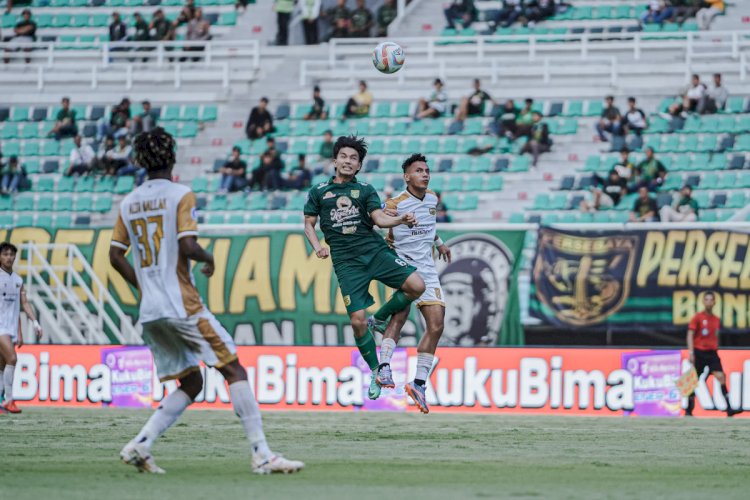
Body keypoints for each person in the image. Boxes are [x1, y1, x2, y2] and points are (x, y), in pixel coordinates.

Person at [109, 127, 303, 474]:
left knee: (192, 382)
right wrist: (208, 258)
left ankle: (140, 444)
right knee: (233, 367)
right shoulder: (181, 195)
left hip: (151, 310)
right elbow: (187, 246)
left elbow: (115, 255)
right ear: (173, 157)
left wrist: (143, 285)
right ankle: (261, 454)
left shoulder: (128, 202)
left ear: (139, 160)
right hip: (182, 304)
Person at [303, 135, 425, 401]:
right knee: (357, 322)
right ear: (335, 161)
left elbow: (379, 218)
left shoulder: (367, 190)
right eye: (344, 157)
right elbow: (308, 224)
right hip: (347, 263)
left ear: (359, 166)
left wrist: (401, 219)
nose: (348, 161)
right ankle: (376, 371)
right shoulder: (318, 191)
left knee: (417, 285)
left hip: (374, 252)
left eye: (354, 158)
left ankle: (380, 318)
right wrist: (317, 247)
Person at [377, 154, 452, 414]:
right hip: (404, 267)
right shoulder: (394, 204)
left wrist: (439, 242)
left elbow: (429, 225)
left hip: (428, 270)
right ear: (407, 176)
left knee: (437, 325)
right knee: (400, 318)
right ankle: (384, 366)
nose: (425, 174)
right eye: (419, 170)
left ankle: (418, 383)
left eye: (427, 170)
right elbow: (380, 223)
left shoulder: (432, 198)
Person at [0, 242, 43, 414]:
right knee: (12, 359)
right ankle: (9, 400)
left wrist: (34, 322)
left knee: (2, 366)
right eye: (5, 254)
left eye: (11, 254)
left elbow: (22, 304)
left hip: (9, 328)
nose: (9, 257)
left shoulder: (18, 280)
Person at [685, 291, 741, 417]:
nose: (709, 302)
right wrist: (691, 352)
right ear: (703, 302)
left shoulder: (716, 319)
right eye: (707, 299)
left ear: (714, 302)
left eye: (711, 300)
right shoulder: (698, 317)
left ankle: (729, 409)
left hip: (711, 354)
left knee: (721, 377)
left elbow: (714, 337)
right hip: (699, 352)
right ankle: (688, 410)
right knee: (693, 380)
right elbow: (690, 334)